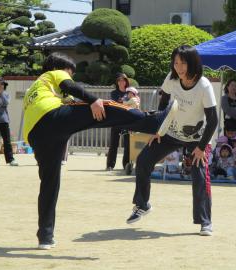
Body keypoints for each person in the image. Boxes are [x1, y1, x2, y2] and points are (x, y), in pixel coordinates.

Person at [23, 53, 171, 249]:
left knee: (49, 184)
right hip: (51, 116)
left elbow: (67, 102)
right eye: (70, 73)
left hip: (36, 135)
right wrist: (93, 99)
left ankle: (45, 236)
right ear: (59, 68)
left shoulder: (35, 90)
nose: (70, 77)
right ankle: (154, 121)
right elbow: (70, 87)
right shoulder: (52, 74)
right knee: (102, 109)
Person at [125, 45, 218, 236]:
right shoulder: (171, 78)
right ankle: (142, 204)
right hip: (171, 133)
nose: (179, 67)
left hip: (198, 139)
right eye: (176, 63)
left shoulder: (203, 85)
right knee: (143, 160)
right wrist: (158, 130)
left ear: (192, 63)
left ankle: (205, 222)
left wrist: (201, 148)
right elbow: (163, 103)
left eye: (183, 63)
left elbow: (213, 120)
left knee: (199, 174)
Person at [106, 73, 130, 171]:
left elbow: (134, 103)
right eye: (119, 80)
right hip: (116, 120)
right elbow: (114, 105)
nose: (121, 82)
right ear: (117, 82)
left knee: (128, 144)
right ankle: (110, 165)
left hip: (128, 121)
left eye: (123, 80)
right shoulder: (114, 93)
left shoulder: (130, 92)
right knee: (113, 143)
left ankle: (126, 165)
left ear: (126, 82)